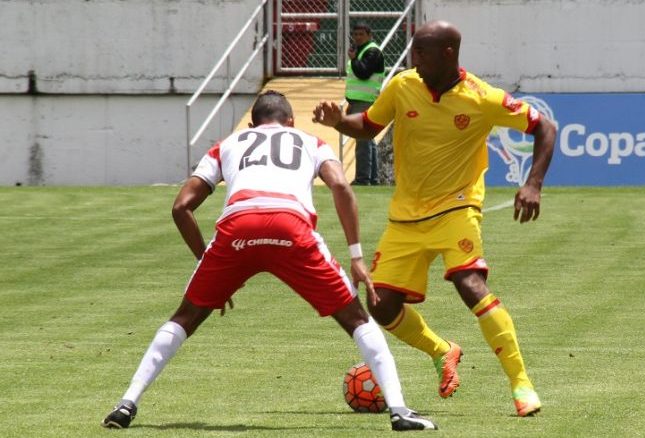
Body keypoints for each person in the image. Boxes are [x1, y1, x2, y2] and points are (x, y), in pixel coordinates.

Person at [100, 91, 436, 431]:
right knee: (356, 318)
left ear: (251, 124)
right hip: (291, 226)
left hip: (237, 228)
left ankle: (127, 403)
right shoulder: (311, 141)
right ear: (290, 121)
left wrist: (209, 263)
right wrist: (356, 256)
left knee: (185, 317)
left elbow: (180, 207)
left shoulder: (227, 145)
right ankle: (399, 410)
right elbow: (341, 187)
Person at [313, 21, 557, 417]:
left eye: (420, 54)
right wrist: (338, 120)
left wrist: (533, 184)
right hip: (405, 216)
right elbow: (369, 126)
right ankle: (442, 350)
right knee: (381, 303)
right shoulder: (402, 86)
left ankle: (521, 384)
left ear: (447, 53)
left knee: (470, 283)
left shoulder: (482, 97)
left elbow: (545, 127)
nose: (414, 62)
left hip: (457, 209)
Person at [345, 21, 384, 185]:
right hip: (359, 100)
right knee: (368, 140)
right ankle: (372, 178)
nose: (358, 37)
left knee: (362, 140)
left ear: (369, 35)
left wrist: (353, 60)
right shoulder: (362, 51)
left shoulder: (372, 51)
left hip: (365, 101)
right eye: (355, 34)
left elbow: (363, 73)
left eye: (361, 34)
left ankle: (363, 178)